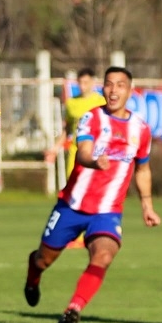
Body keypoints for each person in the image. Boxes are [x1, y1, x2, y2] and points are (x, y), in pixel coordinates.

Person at [24, 66, 161, 323]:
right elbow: (83, 152)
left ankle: (74, 308)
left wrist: (147, 205)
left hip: (108, 211)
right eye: (109, 84)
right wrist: (94, 161)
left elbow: (143, 168)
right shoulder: (92, 118)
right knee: (44, 259)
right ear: (103, 89)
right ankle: (33, 273)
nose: (113, 90)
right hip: (72, 205)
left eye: (120, 85)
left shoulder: (140, 129)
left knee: (104, 255)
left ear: (129, 91)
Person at [46, 68, 106, 248]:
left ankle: (94, 233)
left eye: (86, 82)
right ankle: (76, 236)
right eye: (80, 82)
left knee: (94, 193)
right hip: (76, 154)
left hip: (96, 154)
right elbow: (67, 130)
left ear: (93, 83)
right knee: (74, 193)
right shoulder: (72, 104)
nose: (83, 85)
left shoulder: (100, 102)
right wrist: (55, 148)